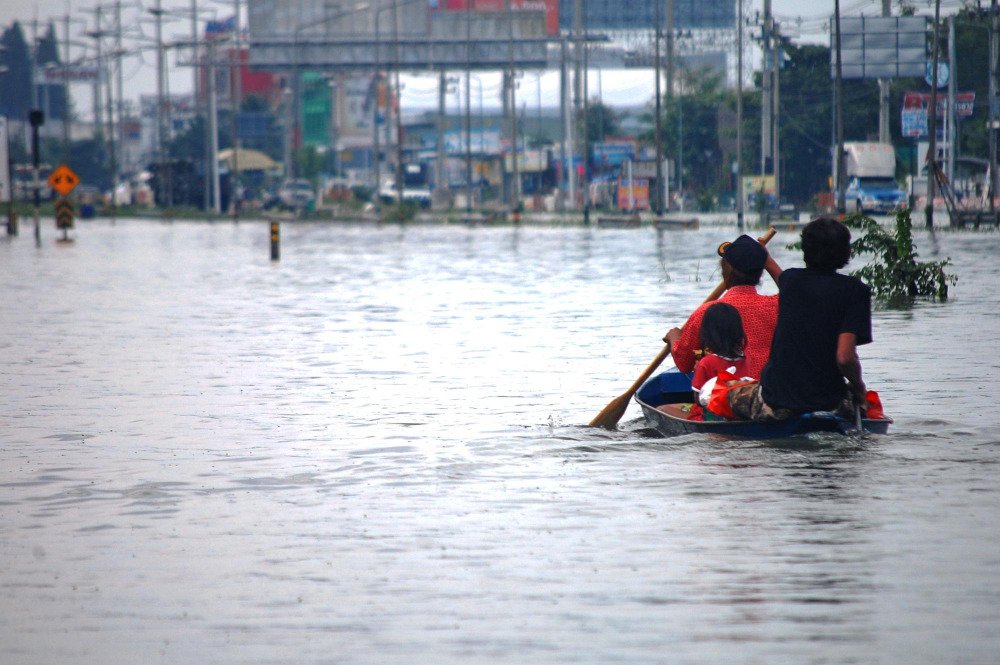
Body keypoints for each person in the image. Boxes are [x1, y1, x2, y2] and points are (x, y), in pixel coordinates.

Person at [728, 216, 872, 421]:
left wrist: (763, 255)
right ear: (846, 252)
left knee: (728, 392)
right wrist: (859, 388)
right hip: (829, 403)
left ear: (805, 250)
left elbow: (844, 357)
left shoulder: (791, 282)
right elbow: (846, 358)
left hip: (774, 401)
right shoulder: (856, 291)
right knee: (862, 405)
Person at [664, 234, 782, 381]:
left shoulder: (707, 312)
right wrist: (768, 261)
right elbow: (794, 293)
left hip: (727, 398)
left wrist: (673, 338)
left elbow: (684, 362)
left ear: (727, 271)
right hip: (770, 393)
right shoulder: (778, 306)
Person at [689, 302, 750, 421]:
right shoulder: (747, 358)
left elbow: (698, 399)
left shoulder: (706, 362)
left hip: (713, 416)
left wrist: (698, 371)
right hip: (741, 413)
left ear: (707, 334)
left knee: (664, 409)